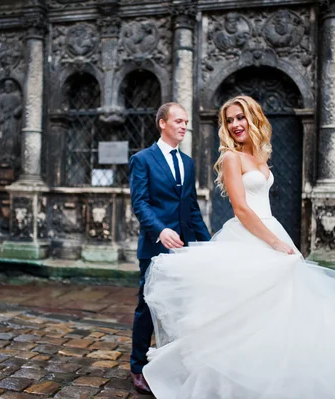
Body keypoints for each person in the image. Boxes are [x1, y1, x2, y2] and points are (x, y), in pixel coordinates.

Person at [141, 96, 335, 399]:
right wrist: (275, 241)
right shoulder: (231, 158)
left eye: (241, 117)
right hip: (249, 236)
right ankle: (231, 383)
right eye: (229, 120)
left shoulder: (262, 156)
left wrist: (277, 238)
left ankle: (275, 380)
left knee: (282, 313)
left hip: (269, 228)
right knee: (242, 316)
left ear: (253, 118)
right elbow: (241, 208)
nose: (235, 125)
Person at [129, 102, 211, 395]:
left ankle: (172, 363)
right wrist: (160, 230)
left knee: (183, 307)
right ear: (162, 123)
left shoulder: (188, 163)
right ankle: (138, 367)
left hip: (184, 250)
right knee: (148, 307)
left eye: (186, 122)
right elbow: (140, 203)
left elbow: (190, 208)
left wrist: (207, 245)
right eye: (178, 120)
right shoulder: (142, 160)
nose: (183, 126)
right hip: (154, 247)